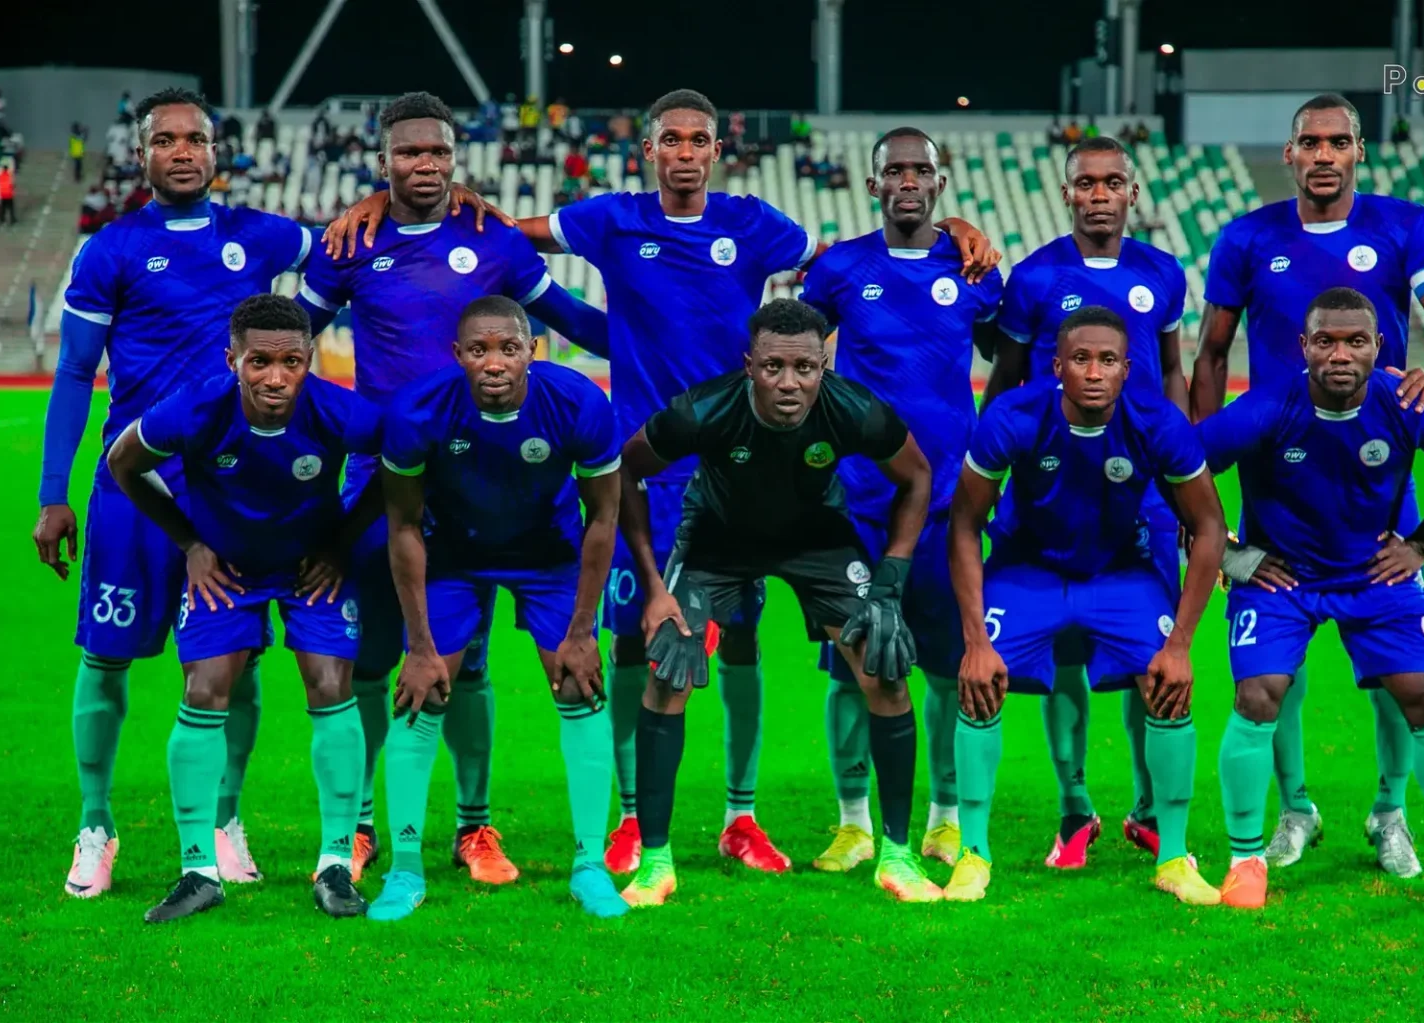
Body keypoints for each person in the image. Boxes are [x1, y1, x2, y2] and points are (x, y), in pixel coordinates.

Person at [321, 88, 996, 878]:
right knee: (637, 642)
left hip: (743, 469)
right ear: (649, 150)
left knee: (740, 642)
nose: (684, 152)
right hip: (642, 467)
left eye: (697, 140)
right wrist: (395, 201)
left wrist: (949, 227)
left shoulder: (754, 224)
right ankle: (634, 820)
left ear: (716, 150)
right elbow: (502, 230)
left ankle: (740, 816)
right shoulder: (611, 218)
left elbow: (853, 254)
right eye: (670, 139)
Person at [295, 91, 608, 884]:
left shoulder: (491, 239)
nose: (425, 165)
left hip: (485, 479)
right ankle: (359, 824)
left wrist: (678, 343)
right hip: (384, 478)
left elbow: (573, 319)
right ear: (382, 161)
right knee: (375, 658)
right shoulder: (349, 243)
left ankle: (475, 825)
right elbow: (287, 342)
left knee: (464, 664)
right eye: (408, 153)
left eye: (438, 152)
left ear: (456, 159)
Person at [35, 88, 319, 899]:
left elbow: (340, 253)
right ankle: (96, 823)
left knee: (238, 663)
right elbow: (74, 372)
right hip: (134, 487)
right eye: (166, 140)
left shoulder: (261, 235)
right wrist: (54, 493)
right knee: (107, 655)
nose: (183, 151)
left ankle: (226, 820)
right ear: (142, 155)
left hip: (230, 491)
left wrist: (374, 206)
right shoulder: (111, 249)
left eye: (196, 138)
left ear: (218, 151)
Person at [1191, 92, 1424, 877]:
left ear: (1359, 151)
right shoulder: (1247, 236)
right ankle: (1295, 808)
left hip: (1376, 475)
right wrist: (1203, 489)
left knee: (1396, 666)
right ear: (1289, 153)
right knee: (1273, 666)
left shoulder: (1405, 224)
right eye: (1310, 142)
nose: (1323, 155)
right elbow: (1211, 355)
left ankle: (1390, 810)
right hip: (1277, 472)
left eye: (1338, 142)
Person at [616, 299, 937, 905]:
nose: (789, 383)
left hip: (818, 540)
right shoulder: (703, 410)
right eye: (773, 368)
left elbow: (917, 476)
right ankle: (655, 864)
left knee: (886, 669)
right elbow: (623, 471)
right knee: (669, 672)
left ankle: (897, 856)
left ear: (823, 367)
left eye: (805, 368)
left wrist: (890, 579)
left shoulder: (854, 409)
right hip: (716, 542)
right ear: (749, 366)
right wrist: (656, 588)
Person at [1196, 287, 1424, 917]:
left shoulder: (1405, 401)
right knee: (1258, 695)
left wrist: (1423, 543)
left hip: (1374, 575)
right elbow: (1180, 467)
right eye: (1326, 341)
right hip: (1284, 579)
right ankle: (1247, 860)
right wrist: (1228, 552)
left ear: (1378, 347)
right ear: (1302, 346)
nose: (1340, 354)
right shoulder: (1268, 406)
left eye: (1355, 341)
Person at [104, 294, 382, 922]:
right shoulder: (196, 409)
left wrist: (341, 542)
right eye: (259, 362)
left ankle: (335, 865)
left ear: (310, 358)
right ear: (232, 360)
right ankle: (198, 872)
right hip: (226, 570)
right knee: (204, 691)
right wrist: (190, 544)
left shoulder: (337, 410)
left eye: (291, 362)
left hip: (310, 568)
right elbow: (123, 461)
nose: (276, 377)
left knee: (330, 683)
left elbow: (403, 461)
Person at [946, 305, 1226, 905]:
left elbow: (1209, 527)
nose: (1094, 372)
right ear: (1057, 367)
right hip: (1028, 570)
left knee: (1168, 684)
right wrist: (975, 641)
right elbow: (964, 524)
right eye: (1080, 359)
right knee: (978, 682)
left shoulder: (1158, 421)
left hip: (1120, 572)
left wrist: (1180, 646)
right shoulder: (1013, 417)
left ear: (1127, 368)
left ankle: (1174, 857)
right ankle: (972, 854)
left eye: (1107, 360)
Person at [372, 296, 627, 922]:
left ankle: (590, 866)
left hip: (550, 556)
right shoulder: (417, 411)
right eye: (479, 350)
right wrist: (419, 646)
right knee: (422, 692)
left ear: (531, 352)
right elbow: (402, 527)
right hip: (453, 557)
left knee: (580, 685)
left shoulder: (578, 402)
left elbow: (604, 517)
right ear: (457, 355)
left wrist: (582, 632)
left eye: (509, 348)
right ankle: (404, 871)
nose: (494, 363)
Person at [800, 127, 1004, 873]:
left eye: (922, 170)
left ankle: (945, 817)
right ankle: (853, 821)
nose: (908, 180)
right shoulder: (840, 268)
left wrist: (989, 439)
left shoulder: (973, 269)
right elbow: (795, 357)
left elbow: (1010, 357)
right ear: (874, 184)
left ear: (941, 183)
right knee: (852, 670)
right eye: (895, 170)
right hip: (857, 505)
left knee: (948, 670)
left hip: (948, 508)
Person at [983, 135, 1190, 868]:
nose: (1099, 195)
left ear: (1133, 192)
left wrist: (1182, 476)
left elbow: (1172, 372)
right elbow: (1006, 381)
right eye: (1086, 183)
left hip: (1144, 490)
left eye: (1112, 182)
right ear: (1066, 192)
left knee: (1151, 650)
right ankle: (1074, 806)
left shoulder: (1162, 272)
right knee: (1062, 642)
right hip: (1055, 484)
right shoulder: (1035, 277)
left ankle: (1148, 807)